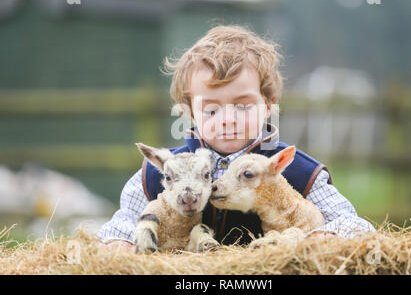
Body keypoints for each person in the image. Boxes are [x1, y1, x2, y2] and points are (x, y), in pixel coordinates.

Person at [97, 25, 375, 251]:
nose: (228, 118)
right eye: (212, 109)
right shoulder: (161, 173)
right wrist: (118, 243)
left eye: (243, 106)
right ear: (189, 112)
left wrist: (326, 236)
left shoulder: (297, 170)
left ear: (268, 105)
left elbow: (353, 223)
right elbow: (124, 221)